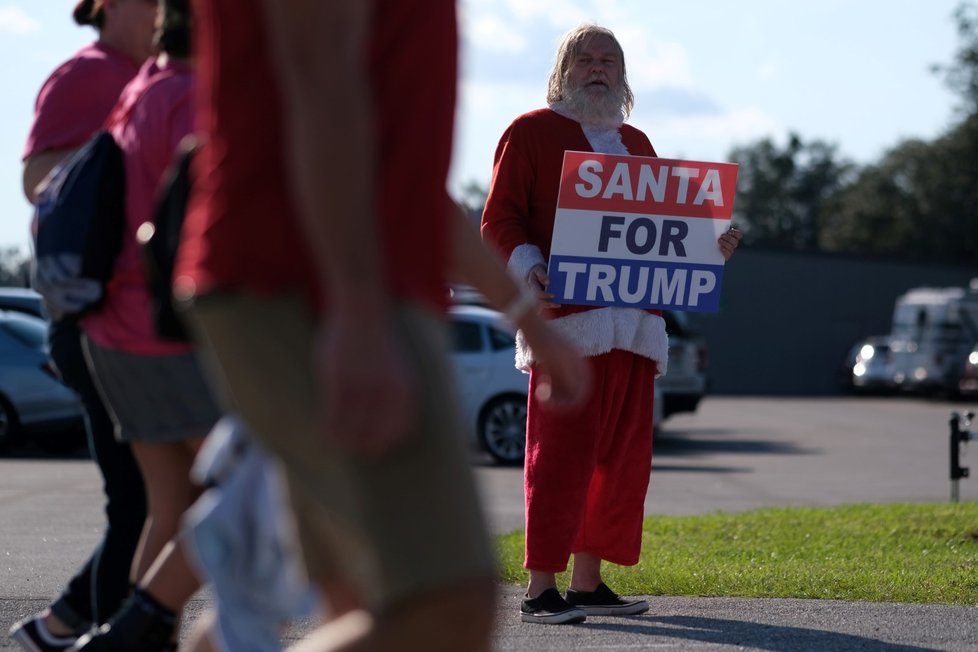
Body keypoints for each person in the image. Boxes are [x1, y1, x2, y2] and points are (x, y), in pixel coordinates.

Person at [170, 1, 590, 650]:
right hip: (305, 283)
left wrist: (525, 315)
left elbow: (409, 176)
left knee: (361, 600)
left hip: (323, 285)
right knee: (447, 605)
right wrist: (357, 309)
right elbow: (319, 80)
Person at [480, 22, 743, 625]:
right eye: (586, 59)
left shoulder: (638, 142)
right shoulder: (530, 133)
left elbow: (658, 234)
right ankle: (540, 590)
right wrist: (530, 265)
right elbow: (499, 221)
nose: (598, 68)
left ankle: (587, 583)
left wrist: (708, 252)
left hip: (634, 330)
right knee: (560, 457)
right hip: (565, 326)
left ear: (623, 76)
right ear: (563, 71)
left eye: (609, 60)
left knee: (617, 459)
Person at [67, 2, 223, 651]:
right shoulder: (193, 99)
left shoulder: (141, 89)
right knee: (254, 492)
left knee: (169, 506)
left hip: (112, 328)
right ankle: (133, 636)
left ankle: (132, 639)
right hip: (165, 331)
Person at [9, 1, 156, 649]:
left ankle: (67, 625)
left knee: (152, 502)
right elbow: (38, 180)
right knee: (141, 503)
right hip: (98, 318)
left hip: (140, 319)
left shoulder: (155, 73)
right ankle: (107, 633)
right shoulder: (88, 74)